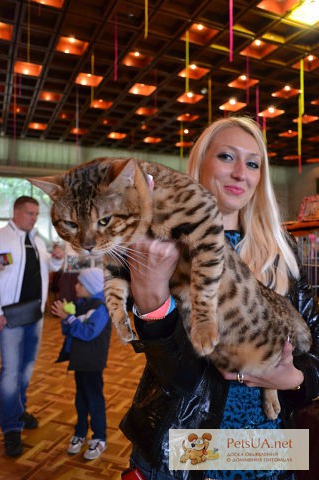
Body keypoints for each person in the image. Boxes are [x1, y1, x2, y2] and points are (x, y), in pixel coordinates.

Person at [119, 117, 319, 480]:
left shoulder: (282, 250)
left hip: (268, 449)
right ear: (201, 163)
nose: (241, 173)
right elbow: (177, 377)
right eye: (227, 157)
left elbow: (315, 351)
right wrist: (151, 303)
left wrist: (295, 379)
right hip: (190, 444)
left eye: (253, 163)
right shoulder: (165, 245)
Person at [0, 195, 64, 457]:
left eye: (37, 214)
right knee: (11, 372)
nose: (34, 217)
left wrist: (57, 258)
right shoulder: (3, 240)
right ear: (16, 212)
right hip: (10, 317)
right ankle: (11, 426)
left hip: (34, 317)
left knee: (25, 371)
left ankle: (16, 408)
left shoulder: (37, 241)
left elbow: (50, 266)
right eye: (29, 213)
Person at [51, 267, 111, 460]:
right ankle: (80, 432)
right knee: (81, 399)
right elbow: (69, 332)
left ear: (91, 287)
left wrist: (68, 318)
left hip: (92, 362)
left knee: (94, 399)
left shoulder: (101, 307)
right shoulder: (82, 303)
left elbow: (88, 333)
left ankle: (100, 437)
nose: (76, 286)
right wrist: (67, 317)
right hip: (80, 359)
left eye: (80, 283)